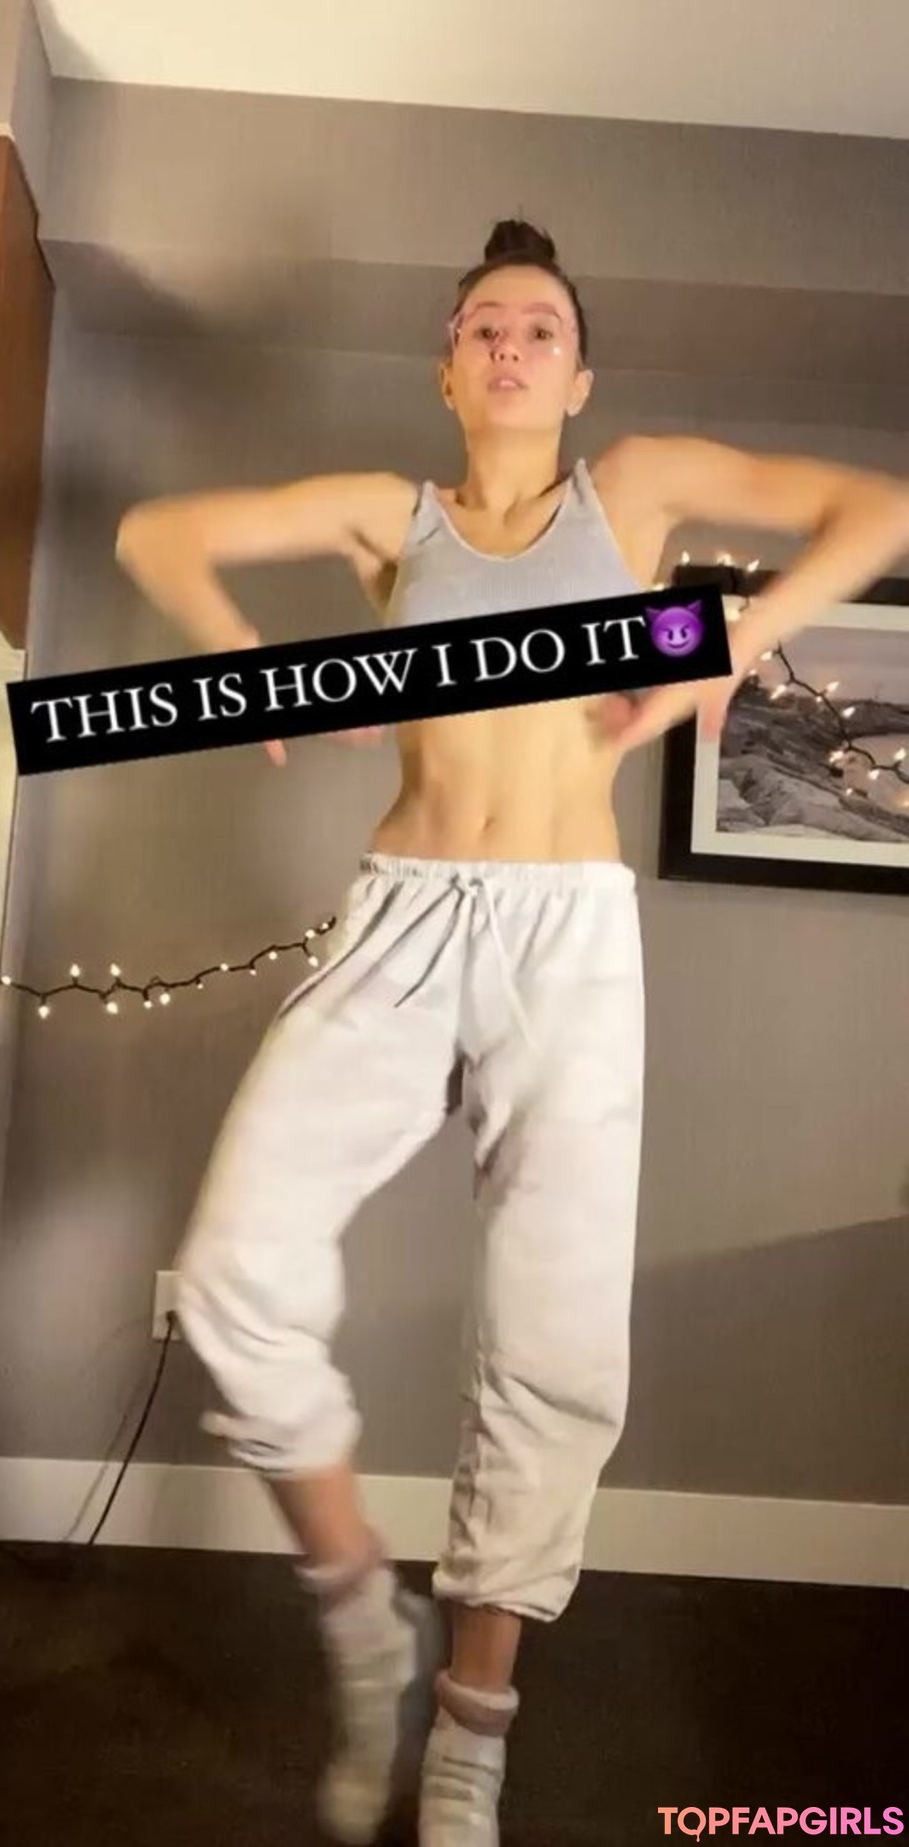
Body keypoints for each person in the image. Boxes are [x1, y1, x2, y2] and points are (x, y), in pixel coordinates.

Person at [114, 218, 909, 1846]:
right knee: (236, 1273)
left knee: (555, 1343)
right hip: (403, 918)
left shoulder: (641, 487)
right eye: (484, 322)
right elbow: (154, 531)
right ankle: (362, 1615)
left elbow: (880, 508)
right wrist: (245, 659)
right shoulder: (390, 518)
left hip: (568, 936)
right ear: (448, 368)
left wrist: (732, 636)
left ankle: (475, 1727)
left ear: (579, 374)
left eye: (541, 324)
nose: (512, 342)